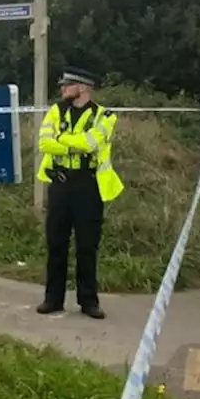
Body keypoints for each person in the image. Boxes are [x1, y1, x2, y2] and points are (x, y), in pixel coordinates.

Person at [35, 65, 124, 319]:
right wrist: (74, 147)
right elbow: (44, 143)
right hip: (60, 184)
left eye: (67, 85)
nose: (62, 89)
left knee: (87, 245)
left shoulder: (105, 117)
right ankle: (53, 299)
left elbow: (91, 143)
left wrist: (61, 142)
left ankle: (88, 301)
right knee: (56, 243)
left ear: (82, 87)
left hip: (88, 185)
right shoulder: (55, 111)